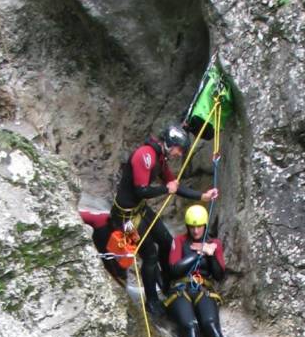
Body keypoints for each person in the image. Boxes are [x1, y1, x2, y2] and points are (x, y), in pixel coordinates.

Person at [91, 125, 218, 311]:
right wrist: (165, 189)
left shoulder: (160, 158)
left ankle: (166, 283)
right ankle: (151, 300)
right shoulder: (145, 156)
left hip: (139, 210)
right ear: (170, 144)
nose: (179, 153)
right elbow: (141, 190)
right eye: (179, 149)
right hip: (124, 218)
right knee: (149, 255)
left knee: (167, 242)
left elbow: (174, 185)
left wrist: (202, 196)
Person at [163, 205, 241, 337]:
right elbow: (174, 269)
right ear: (187, 226)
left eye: (199, 226)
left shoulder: (214, 244)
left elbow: (219, 275)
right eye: (192, 226)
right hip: (180, 290)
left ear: (205, 225)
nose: (196, 230)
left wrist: (211, 254)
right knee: (191, 325)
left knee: (211, 325)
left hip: (203, 289)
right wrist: (198, 253)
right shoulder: (179, 242)